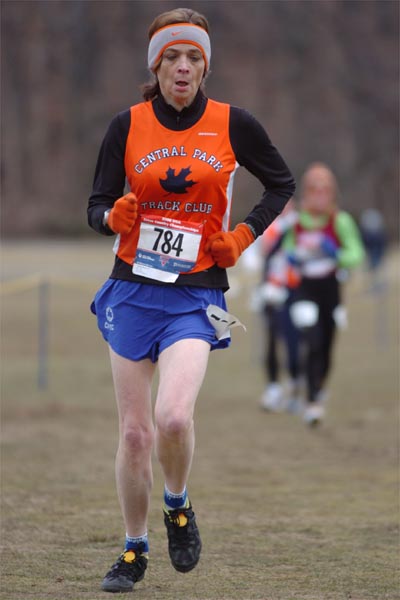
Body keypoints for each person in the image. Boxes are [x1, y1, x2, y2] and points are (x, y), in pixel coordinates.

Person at [87, 7, 295, 594]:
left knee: (173, 416)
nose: (184, 67)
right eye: (173, 57)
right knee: (134, 434)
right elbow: (96, 204)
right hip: (132, 291)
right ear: (156, 65)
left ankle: (177, 505)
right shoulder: (125, 126)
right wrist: (112, 216)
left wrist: (242, 236)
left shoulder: (235, 123)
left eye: (194, 57)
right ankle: (133, 551)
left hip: (196, 295)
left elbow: (281, 184)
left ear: (206, 66)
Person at [282, 162, 365, 426]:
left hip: (330, 289)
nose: (319, 195)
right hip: (304, 288)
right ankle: (313, 400)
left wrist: (337, 255)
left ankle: (317, 387)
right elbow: (286, 249)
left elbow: (356, 254)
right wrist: (292, 257)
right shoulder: (297, 222)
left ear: (332, 193)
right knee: (312, 340)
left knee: (327, 346)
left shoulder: (340, 221)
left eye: (324, 190)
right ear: (306, 192)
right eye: (313, 190)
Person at [257, 200, 303, 413]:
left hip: (294, 291)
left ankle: (295, 385)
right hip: (272, 291)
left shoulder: (300, 226)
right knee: (271, 340)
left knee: (293, 340)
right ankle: (273, 388)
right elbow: (264, 254)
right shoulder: (273, 227)